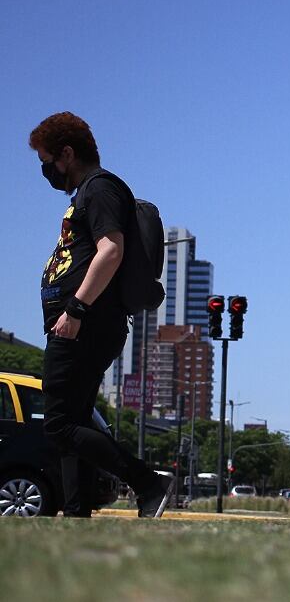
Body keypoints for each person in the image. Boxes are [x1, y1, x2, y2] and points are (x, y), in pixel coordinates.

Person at [30, 112, 172, 518]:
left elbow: (111, 250)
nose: (46, 171)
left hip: (86, 322)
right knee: (73, 425)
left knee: (58, 424)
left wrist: (75, 308)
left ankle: (149, 483)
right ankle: (76, 511)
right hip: (83, 322)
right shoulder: (87, 194)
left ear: (68, 153)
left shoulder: (100, 189)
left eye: (48, 161)